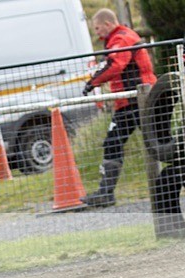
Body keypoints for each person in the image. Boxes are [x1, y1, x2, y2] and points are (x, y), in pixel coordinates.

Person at [81, 8, 156, 208]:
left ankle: (106, 193)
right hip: (129, 102)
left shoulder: (121, 39)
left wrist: (92, 83)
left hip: (138, 100)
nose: (97, 33)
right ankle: (106, 193)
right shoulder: (119, 38)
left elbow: (115, 65)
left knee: (160, 144)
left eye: (97, 28)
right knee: (115, 143)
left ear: (108, 24)